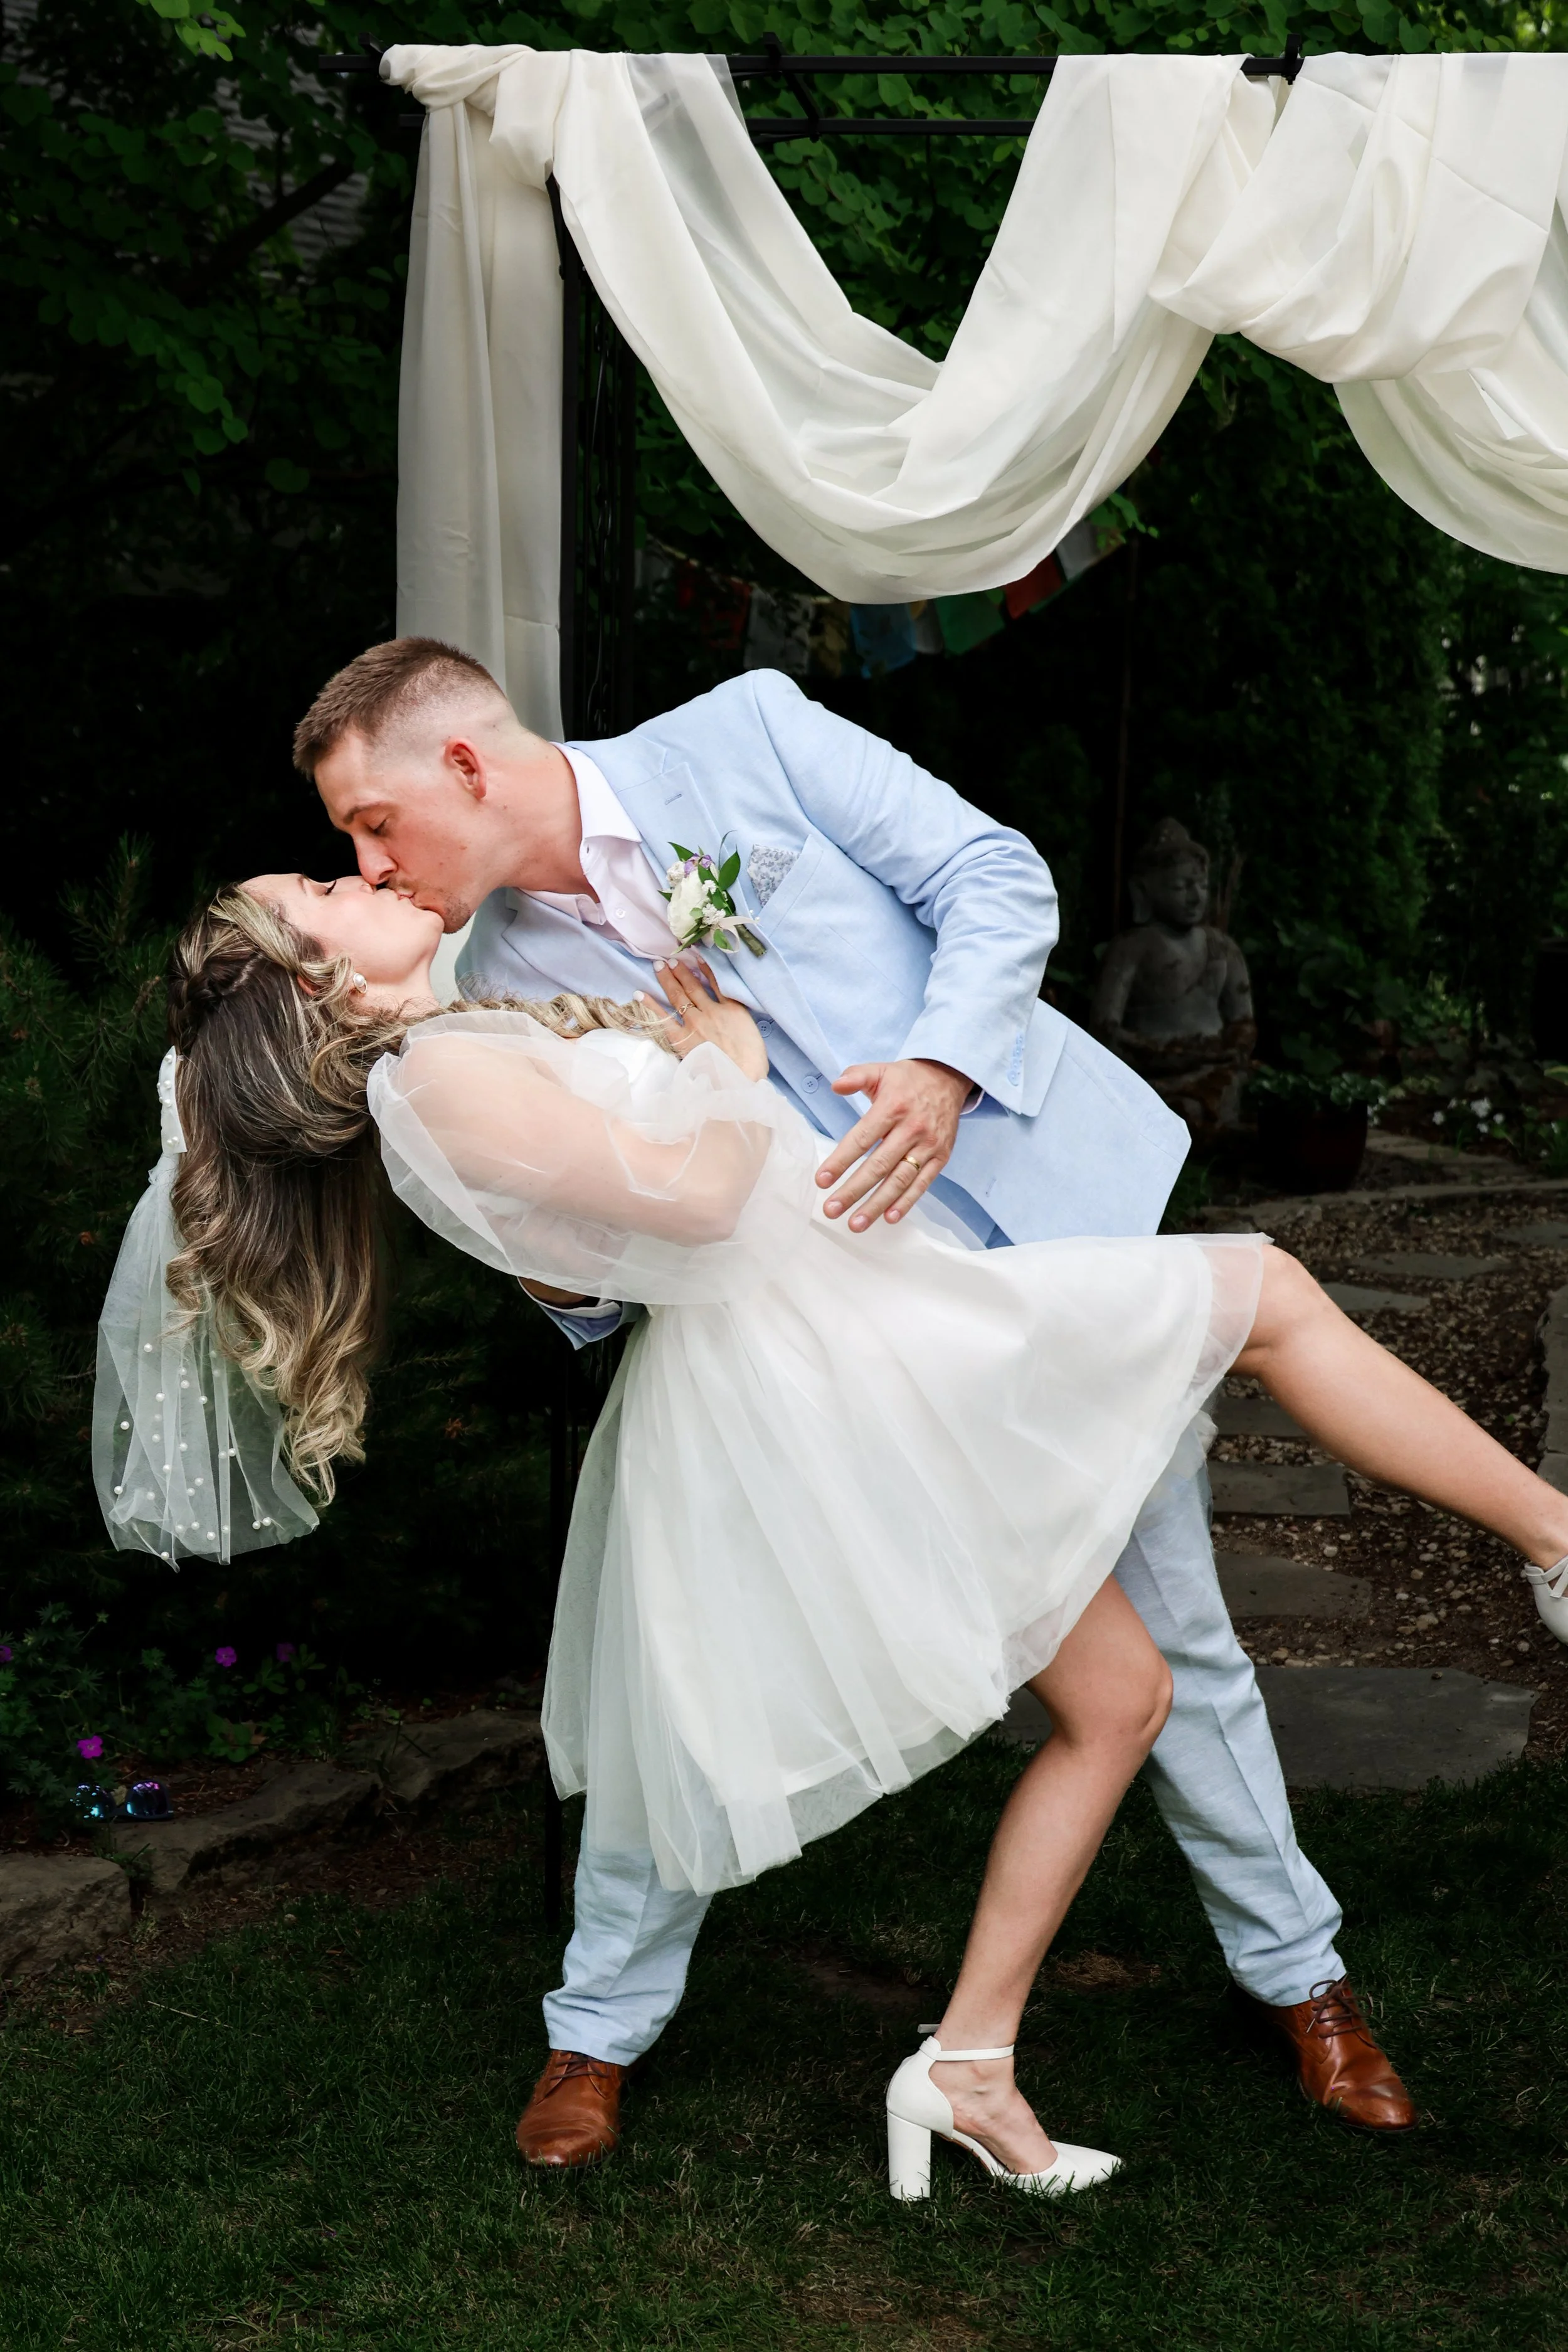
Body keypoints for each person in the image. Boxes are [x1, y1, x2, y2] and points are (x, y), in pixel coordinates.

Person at [97, 881, 1568, 2200]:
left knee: (1122, 1697)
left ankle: (969, 2064)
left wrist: (682, 1054)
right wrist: (724, 1067)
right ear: (322, 986)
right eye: (320, 888)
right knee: (1260, 1293)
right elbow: (694, 1203)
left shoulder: (461, 1041)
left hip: (849, 1319)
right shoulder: (435, 1081)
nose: (356, 872)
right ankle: (1557, 1547)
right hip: (831, 1357)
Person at [289, 637, 1416, 2163]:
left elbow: (992, 876)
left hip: (1038, 1249)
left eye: (372, 821)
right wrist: (554, 1274)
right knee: (682, 1659)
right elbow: (603, 1248)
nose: (366, 859)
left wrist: (944, 1068)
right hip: (801, 1349)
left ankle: (1304, 1983)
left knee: (1179, 1639)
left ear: (466, 768)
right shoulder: (481, 984)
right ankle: (592, 2033)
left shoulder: (744, 735)